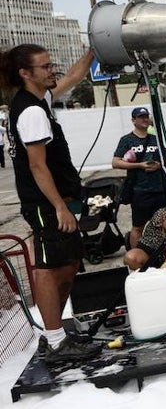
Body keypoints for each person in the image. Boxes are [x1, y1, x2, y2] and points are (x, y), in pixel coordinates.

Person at [2, 44, 99, 360]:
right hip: (45, 204)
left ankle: (57, 332)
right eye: (44, 67)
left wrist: (93, 51)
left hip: (61, 200)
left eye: (50, 63)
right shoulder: (30, 111)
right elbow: (37, 166)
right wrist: (58, 206)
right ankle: (55, 341)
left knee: (69, 263)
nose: (52, 70)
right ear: (25, 73)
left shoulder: (40, 99)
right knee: (49, 267)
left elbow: (71, 77)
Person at [111, 106, 166, 248]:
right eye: (140, 117)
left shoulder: (156, 139)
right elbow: (115, 162)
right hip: (140, 190)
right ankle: (135, 258)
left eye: (146, 116)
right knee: (138, 226)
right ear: (133, 120)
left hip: (160, 188)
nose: (144, 119)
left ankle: (164, 255)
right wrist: (140, 165)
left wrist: (160, 164)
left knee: (165, 224)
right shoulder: (127, 140)